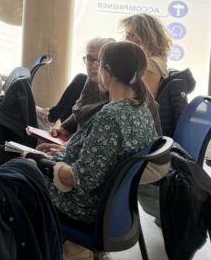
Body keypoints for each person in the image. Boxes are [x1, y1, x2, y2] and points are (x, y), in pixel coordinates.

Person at [33, 41, 159, 225]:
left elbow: (80, 179)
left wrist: (41, 162)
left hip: (82, 208)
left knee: (11, 163)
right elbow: (105, 158)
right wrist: (67, 152)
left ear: (107, 70)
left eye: (99, 63)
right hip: (116, 209)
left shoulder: (110, 117)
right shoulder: (141, 109)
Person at [49, 38, 114, 138]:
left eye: (100, 60)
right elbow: (79, 112)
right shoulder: (90, 82)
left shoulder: (116, 94)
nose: (94, 66)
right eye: (90, 59)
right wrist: (62, 129)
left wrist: (67, 145)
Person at [119, 13, 171, 99]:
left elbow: (144, 100)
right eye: (126, 34)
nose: (126, 38)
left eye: (131, 35)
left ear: (146, 37)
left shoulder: (151, 64)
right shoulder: (150, 60)